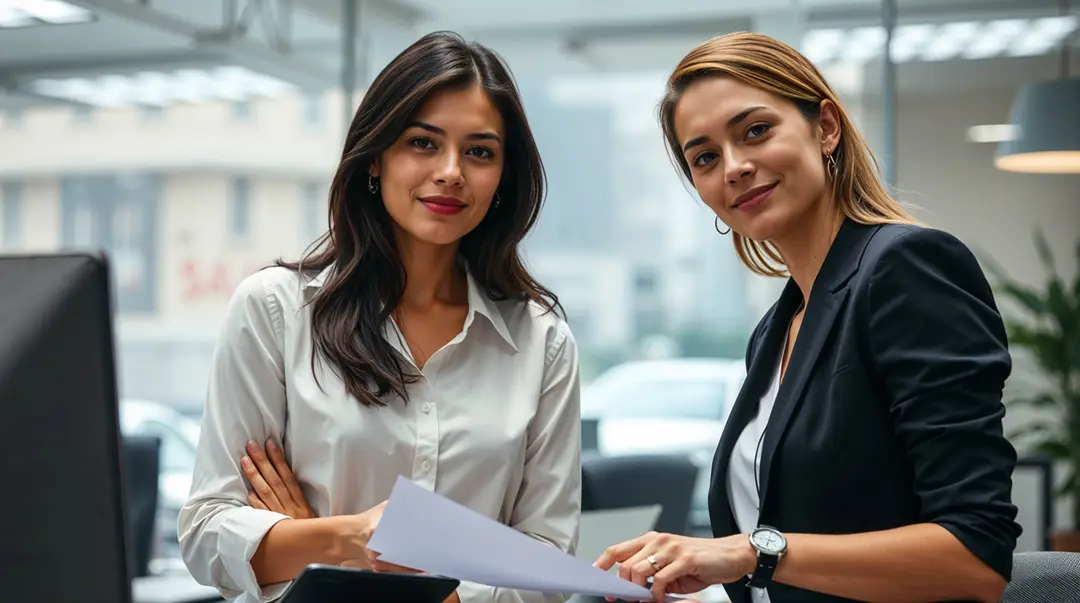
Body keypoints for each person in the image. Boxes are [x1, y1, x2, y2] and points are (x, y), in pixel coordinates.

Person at [595, 32, 1021, 603]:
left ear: (825, 127)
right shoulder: (774, 330)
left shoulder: (904, 268)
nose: (735, 167)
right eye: (705, 157)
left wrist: (749, 551)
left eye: (755, 131)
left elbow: (975, 554)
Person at [178, 31, 582, 603]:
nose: (451, 172)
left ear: (503, 178)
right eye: (423, 143)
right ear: (376, 157)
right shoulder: (274, 310)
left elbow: (549, 560)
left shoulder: (542, 341)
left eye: (480, 151)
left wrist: (307, 542)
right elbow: (205, 531)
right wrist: (349, 537)